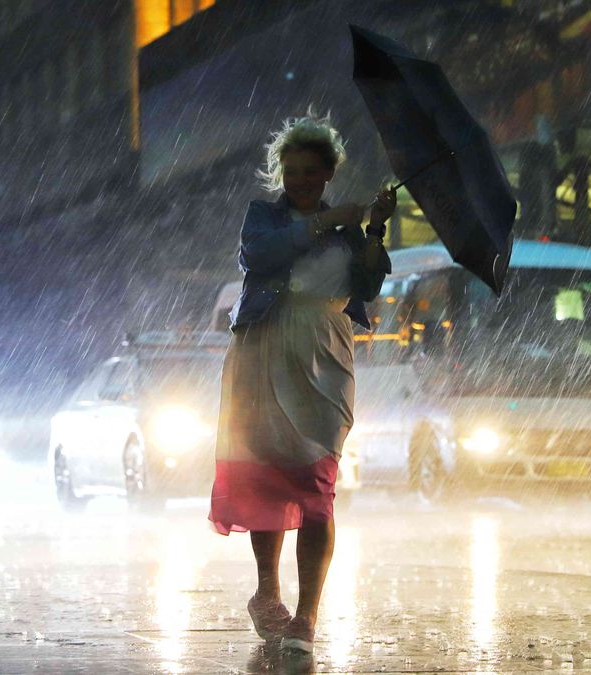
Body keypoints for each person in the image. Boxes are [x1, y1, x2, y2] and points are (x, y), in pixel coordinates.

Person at [209, 110, 393, 658]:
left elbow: (369, 284)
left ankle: (307, 615)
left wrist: (375, 227)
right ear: (280, 172)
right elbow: (259, 254)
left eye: (311, 172)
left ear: (329, 172)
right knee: (266, 477)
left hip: (325, 359)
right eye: (292, 172)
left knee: (316, 485)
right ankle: (268, 590)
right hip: (264, 353)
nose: (300, 181)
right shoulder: (262, 217)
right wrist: (325, 219)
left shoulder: (347, 231)